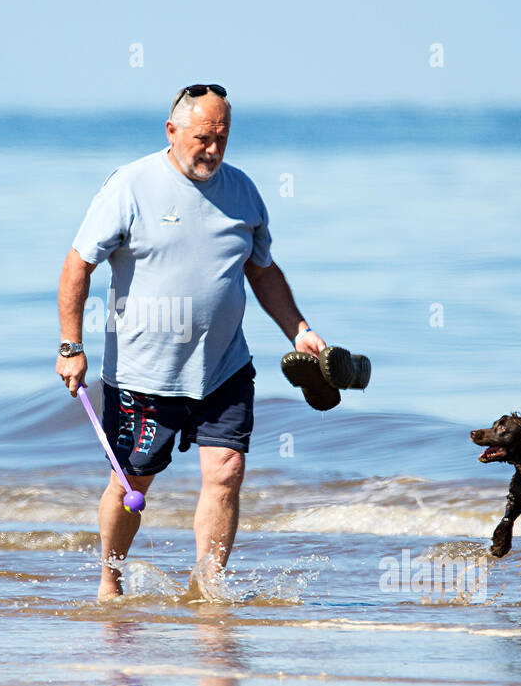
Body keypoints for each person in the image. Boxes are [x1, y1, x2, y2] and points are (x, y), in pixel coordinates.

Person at [56, 84, 327, 600]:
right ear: (172, 131)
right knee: (131, 486)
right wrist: (71, 345)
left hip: (223, 368)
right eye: (203, 138)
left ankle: (208, 586)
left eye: (222, 138)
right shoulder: (130, 185)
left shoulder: (243, 192)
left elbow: (262, 271)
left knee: (227, 471)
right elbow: (77, 265)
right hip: (143, 374)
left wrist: (299, 329)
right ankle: (109, 579)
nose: (214, 150)